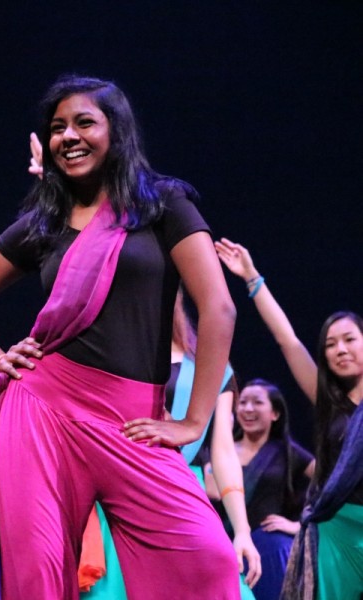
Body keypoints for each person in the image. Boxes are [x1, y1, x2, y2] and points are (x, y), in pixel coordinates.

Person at [0, 73, 241, 600]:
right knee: (37, 575)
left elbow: (218, 307)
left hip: (132, 420)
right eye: (57, 127)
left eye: (84, 122)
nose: (68, 136)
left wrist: (195, 420)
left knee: (207, 560)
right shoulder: (45, 223)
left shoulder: (163, 204)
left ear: (116, 131)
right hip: (41, 412)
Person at [26, 134, 261, 598]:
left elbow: (224, 451)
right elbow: (74, 261)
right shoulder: (116, 356)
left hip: (170, 486)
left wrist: (243, 531)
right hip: (104, 481)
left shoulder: (209, 366)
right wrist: (50, 182)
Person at [214, 238, 362, 600]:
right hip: (338, 529)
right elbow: (287, 339)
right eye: (330, 344)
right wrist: (252, 279)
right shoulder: (329, 402)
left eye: (349, 340)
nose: (340, 349)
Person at [203, 378, 314, 600]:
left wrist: (299, 525)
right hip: (226, 546)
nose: (248, 408)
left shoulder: (289, 453)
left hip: (271, 547)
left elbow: (331, 482)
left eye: (257, 402)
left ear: (275, 414)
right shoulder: (218, 453)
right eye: (242, 402)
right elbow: (213, 493)